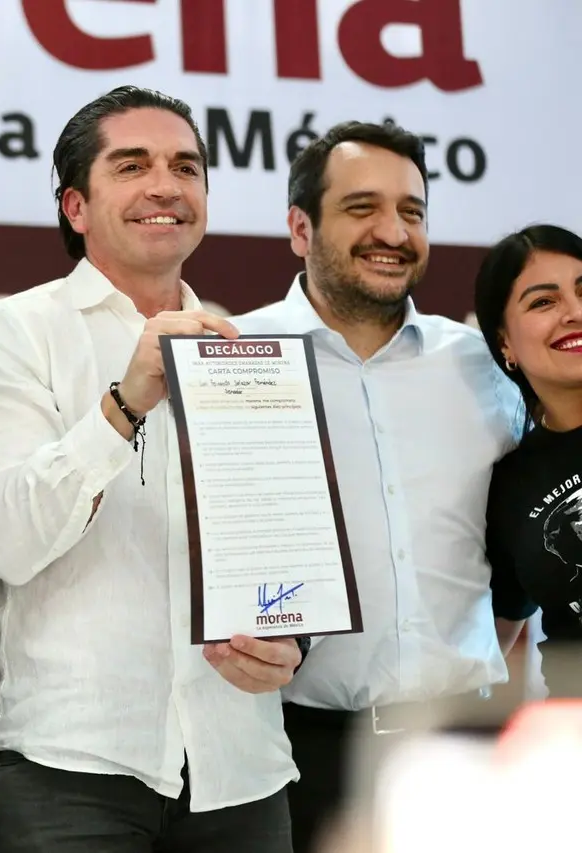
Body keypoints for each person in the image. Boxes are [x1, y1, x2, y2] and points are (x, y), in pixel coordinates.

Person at [0, 84, 300, 853]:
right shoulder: (12, 332)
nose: (166, 186)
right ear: (76, 206)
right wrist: (123, 404)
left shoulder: (246, 356)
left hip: (241, 767)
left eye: (186, 167)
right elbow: (5, 537)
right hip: (71, 769)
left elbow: (281, 546)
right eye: (132, 165)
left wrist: (289, 638)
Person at [228, 120, 523, 853]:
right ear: (301, 227)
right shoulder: (233, 359)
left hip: (473, 744)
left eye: (412, 211)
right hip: (299, 755)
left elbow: (518, 552)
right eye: (362, 208)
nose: (392, 230)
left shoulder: (485, 369)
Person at [475, 224, 582, 699]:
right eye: (544, 302)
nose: (574, 313)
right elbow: (497, 638)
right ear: (506, 345)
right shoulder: (511, 484)